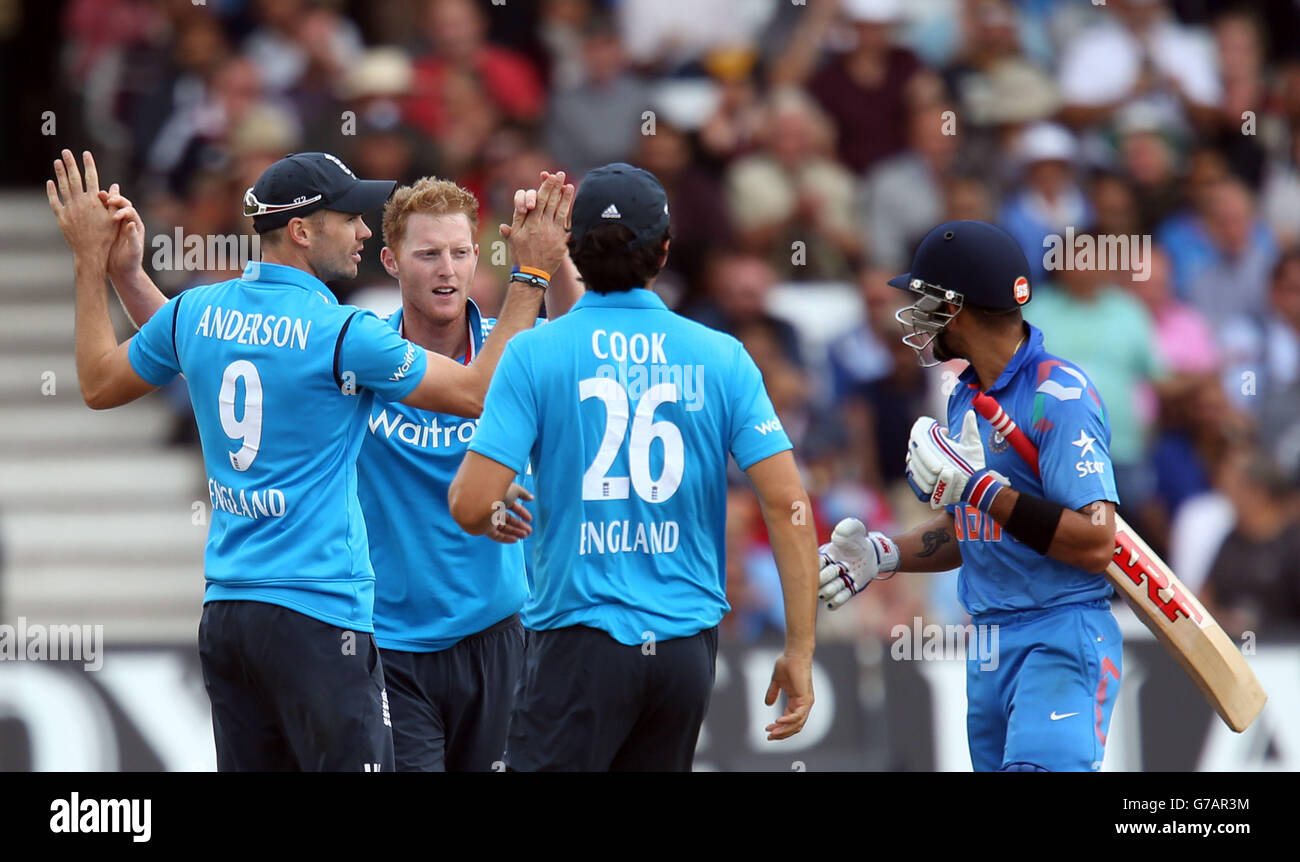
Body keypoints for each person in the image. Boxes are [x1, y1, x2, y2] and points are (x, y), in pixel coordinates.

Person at [46, 148, 570, 771]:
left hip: (229, 614)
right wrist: (532, 274)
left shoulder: (199, 311)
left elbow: (102, 382)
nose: (361, 229)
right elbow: (478, 392)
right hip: (322, 616)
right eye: (348, 216)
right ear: (301, 231)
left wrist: (99, 266)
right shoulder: (344, 333)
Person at [448, 163, 818, 771]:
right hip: (683, 653)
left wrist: (498, 506)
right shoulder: (723, 356)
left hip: (578, 643)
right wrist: (800, 650)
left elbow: (468, 503)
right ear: (664, 252)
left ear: (571, 247)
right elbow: (788, 505)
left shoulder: (535, 354)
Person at [819, 220, 1124, 772]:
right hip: (988, 641)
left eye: (924, 300)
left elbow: (1097, 542)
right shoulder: (965, 397)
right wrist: (883, 555)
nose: (912, 315)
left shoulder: (1058, 394)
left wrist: (983, 490)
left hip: (1058, 633)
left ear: (955, 309)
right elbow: (972, 532)